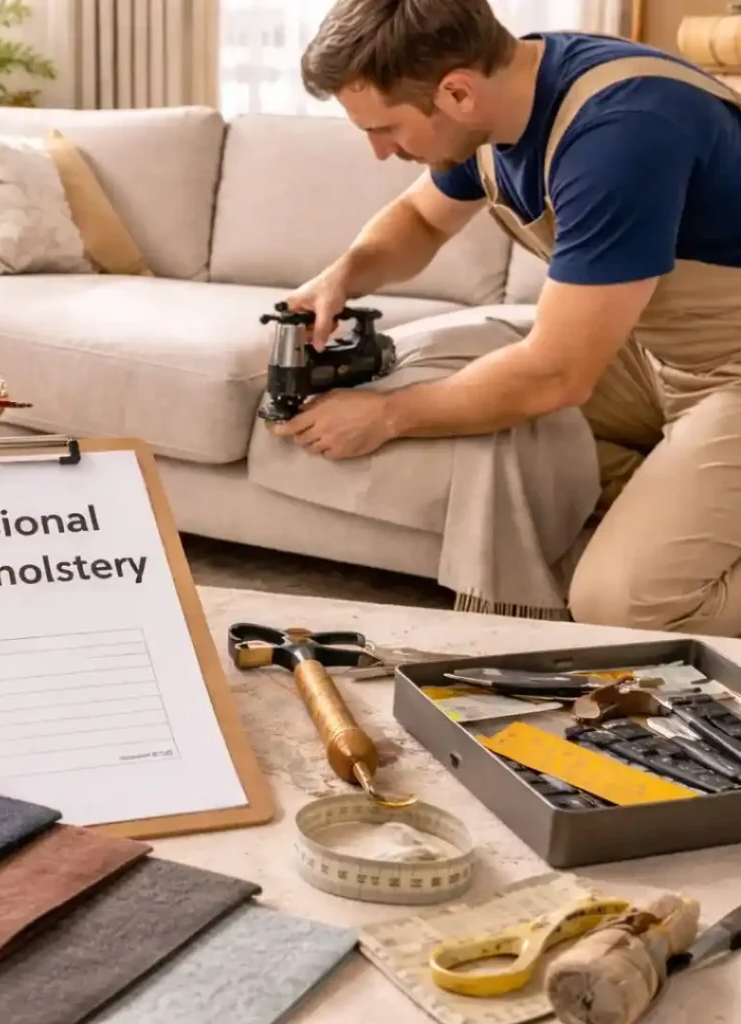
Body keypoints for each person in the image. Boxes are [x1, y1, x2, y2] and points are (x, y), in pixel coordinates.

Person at [275, 0, 741, 637]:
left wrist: (386, 417)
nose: (380, 151)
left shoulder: (619, 135)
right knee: (442, 366)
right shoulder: (502, 101)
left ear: (456, 93)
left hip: (731, 369)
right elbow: (419, 220)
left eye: (385, 128)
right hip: (658, 352)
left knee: (624, 606)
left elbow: (556, 375)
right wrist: (343, 276)